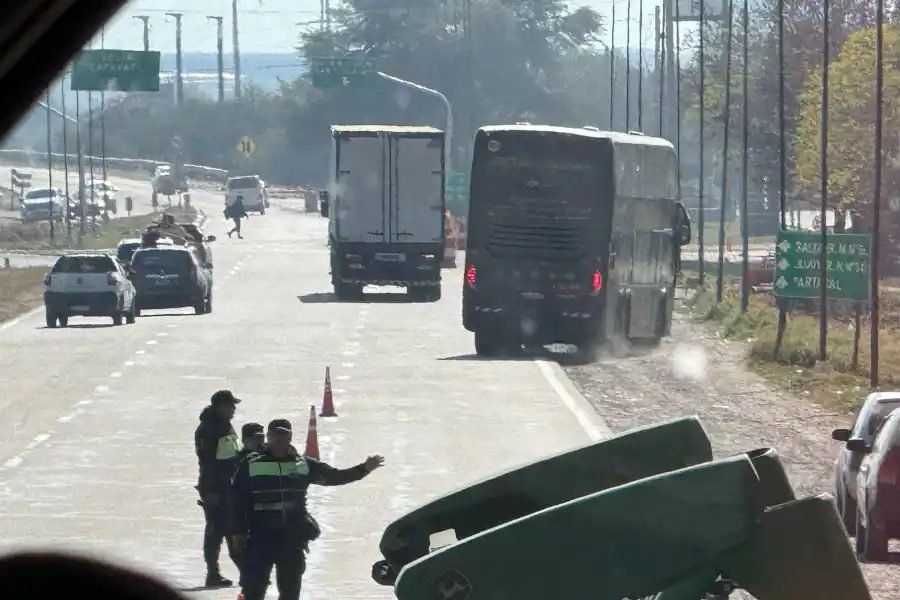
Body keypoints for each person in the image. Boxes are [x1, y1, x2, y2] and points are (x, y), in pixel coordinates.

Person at [231, 419, 385, 600]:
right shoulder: (250, 464)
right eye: (276, 436)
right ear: (268, 437)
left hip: (292, 537)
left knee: (290, 591)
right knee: (253, 590)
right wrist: (237, 533)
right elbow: (237, 501)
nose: (280, 440)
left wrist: (364, 469)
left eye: (284, 435)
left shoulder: (303, 464)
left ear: (290, 437)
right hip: (260, 537)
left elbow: (336, 476)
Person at [195, 390, 244, 588]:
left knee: (230, 527)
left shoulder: (223, 426)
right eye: (231, 405)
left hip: (227, 485)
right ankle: (213, 573)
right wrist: (211, 490)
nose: (233, 409)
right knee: (216, 530)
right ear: (220, 406)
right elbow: (208, 462)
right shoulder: (209, 429)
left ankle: (244, 571)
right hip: (216, 486)